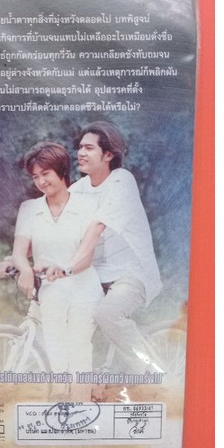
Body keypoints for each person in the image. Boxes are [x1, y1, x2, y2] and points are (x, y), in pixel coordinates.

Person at [62, 120, 164, 375]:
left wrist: (70, 267)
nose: (81, 153)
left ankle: (154, 376)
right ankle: (88, 381)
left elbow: (97, 226)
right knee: (69, 317)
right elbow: (54, 225)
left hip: (131, 273)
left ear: (108, 155)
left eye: (89, 148)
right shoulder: (78, 189)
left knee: (107, 314)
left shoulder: (122, 181)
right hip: (96, 275)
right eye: (80, 147)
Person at [10, 142, 104, 380]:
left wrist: (64, 270)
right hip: (50, 291)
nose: (41, 181)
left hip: (84, 288)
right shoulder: (29, 209)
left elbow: (86, 258)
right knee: (56, 353)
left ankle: (82, 397)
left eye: (46, 174)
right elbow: (19, 252)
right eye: (35, 177)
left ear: (61, 170)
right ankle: (62, 396)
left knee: (79, 350)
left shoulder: (88, 206)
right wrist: (25, 270)